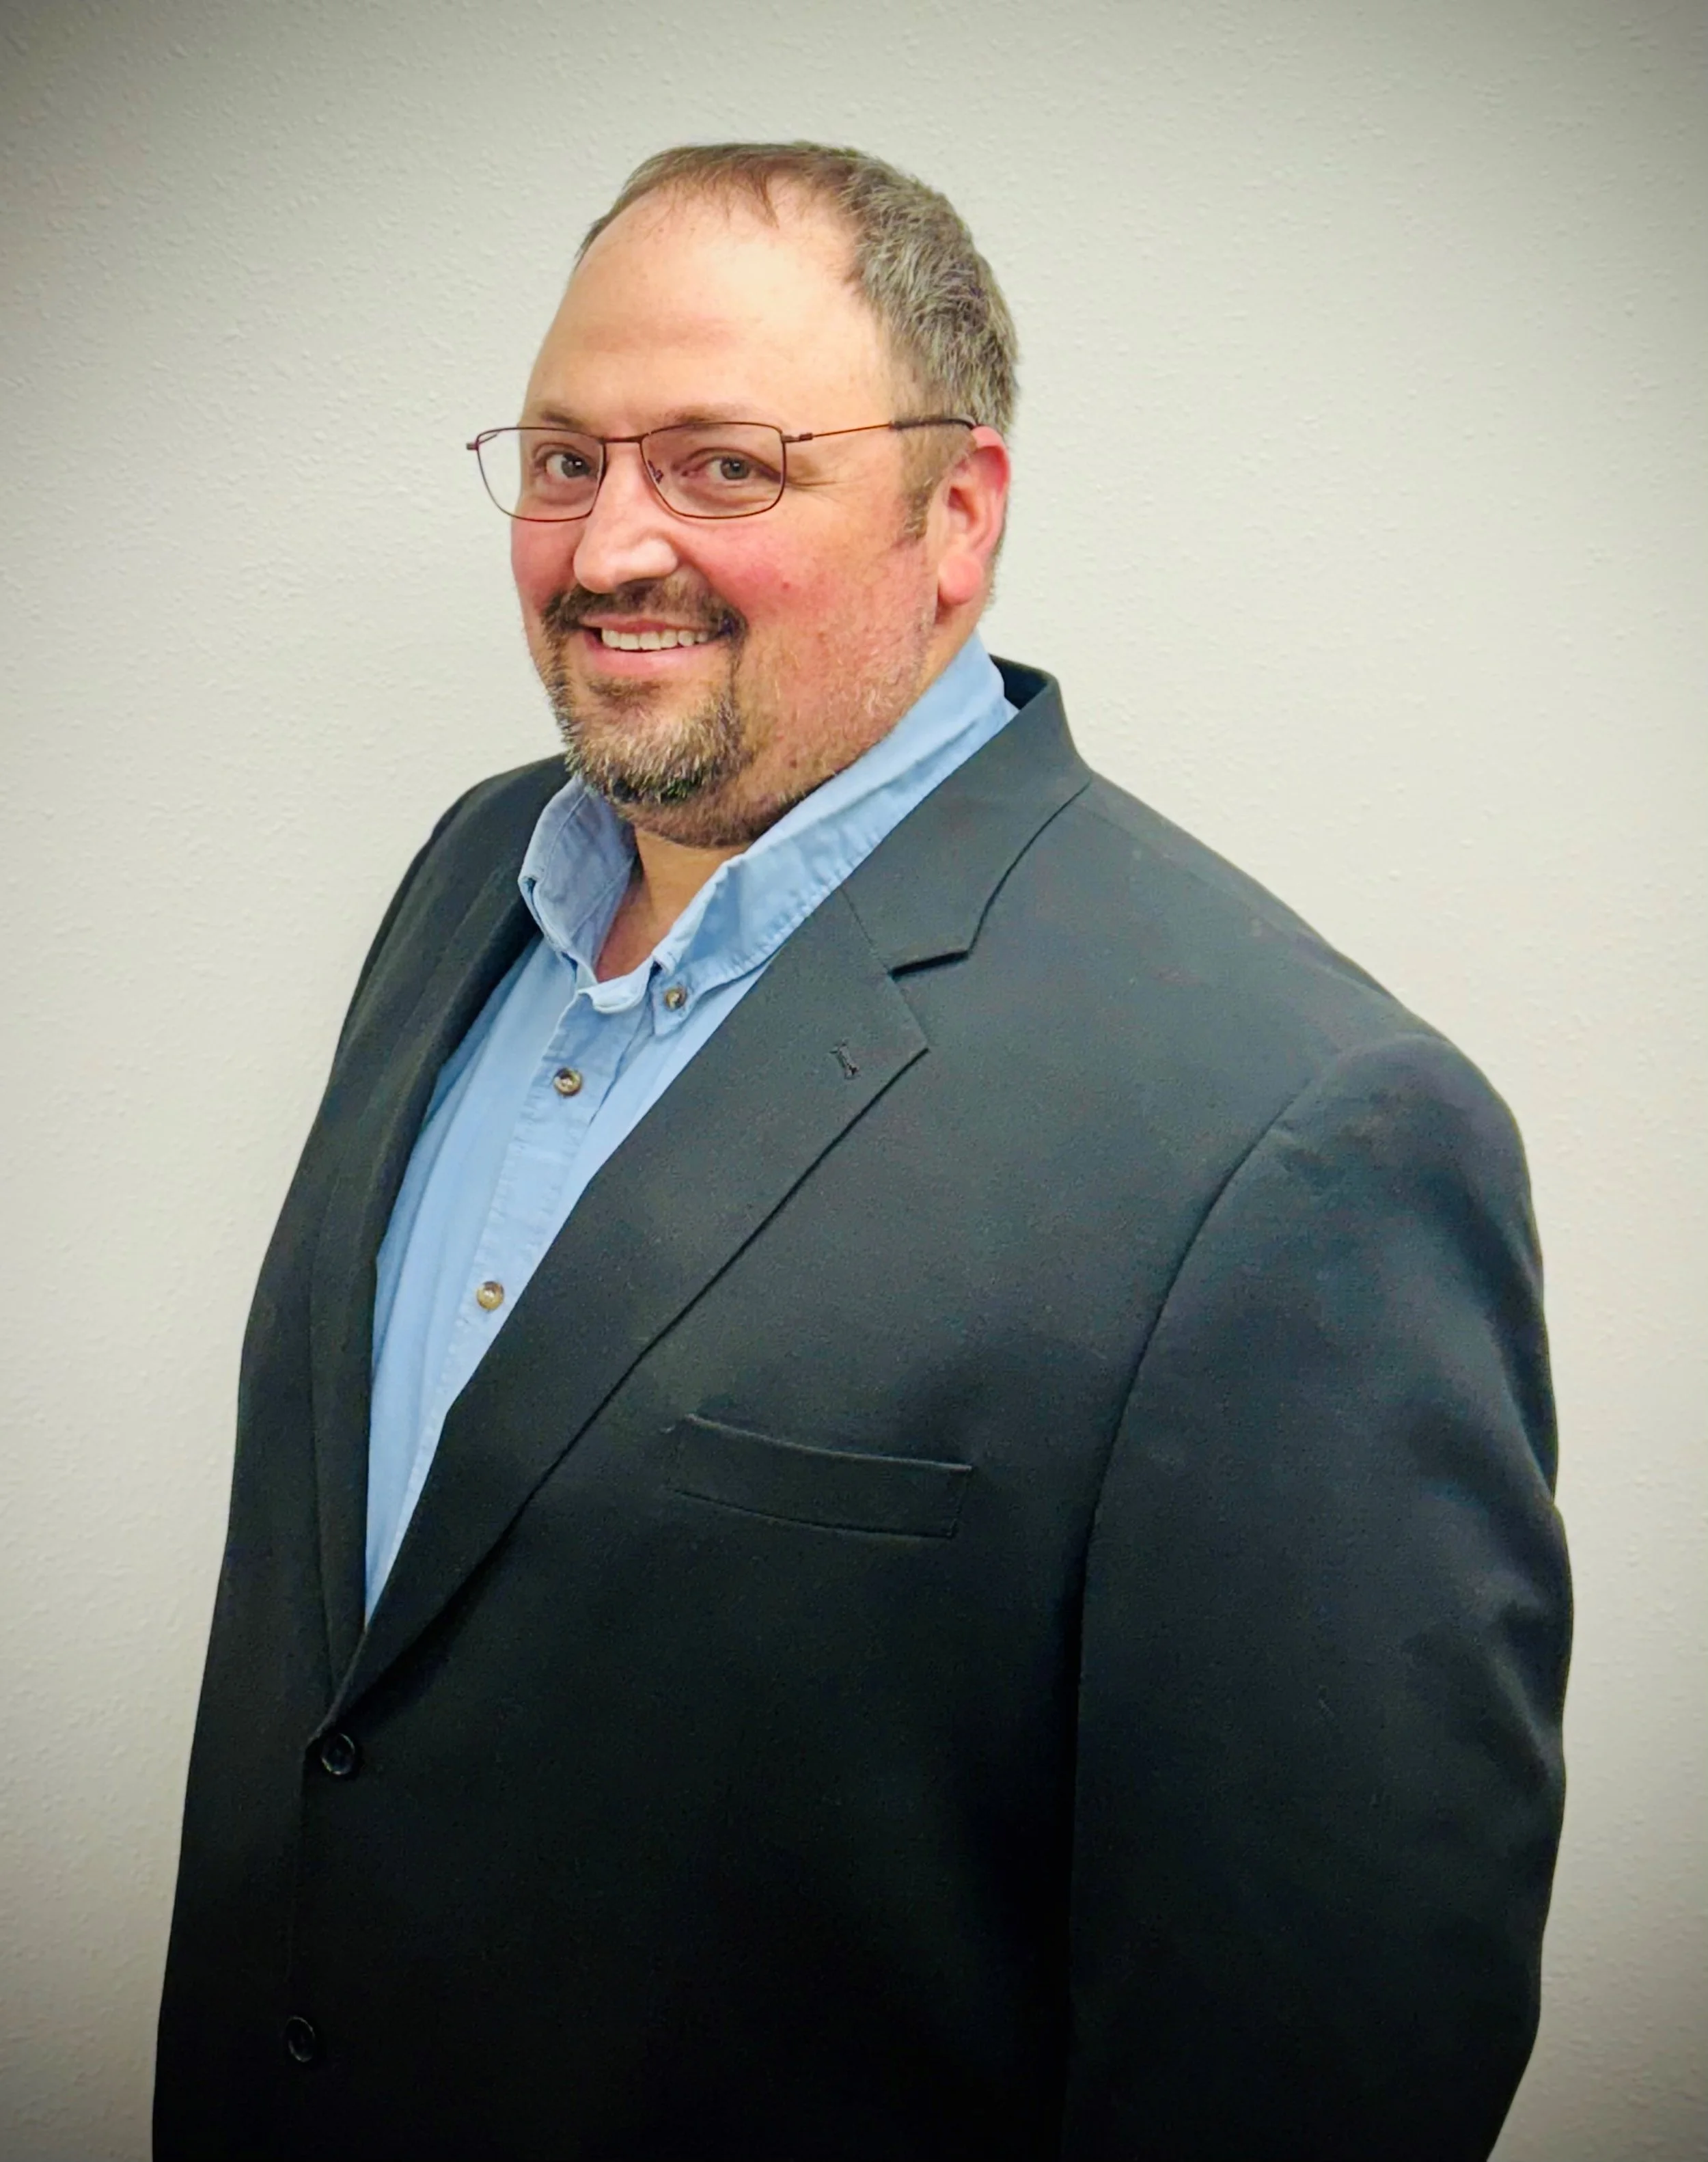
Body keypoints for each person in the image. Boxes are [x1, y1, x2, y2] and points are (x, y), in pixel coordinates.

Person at [154, 141, 1571, 2162]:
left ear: (956, 513)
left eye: (722, 466)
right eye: (562, 459)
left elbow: (1325, 2044)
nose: (607, 545)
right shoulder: (474, 876)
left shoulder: (1294, 1127)